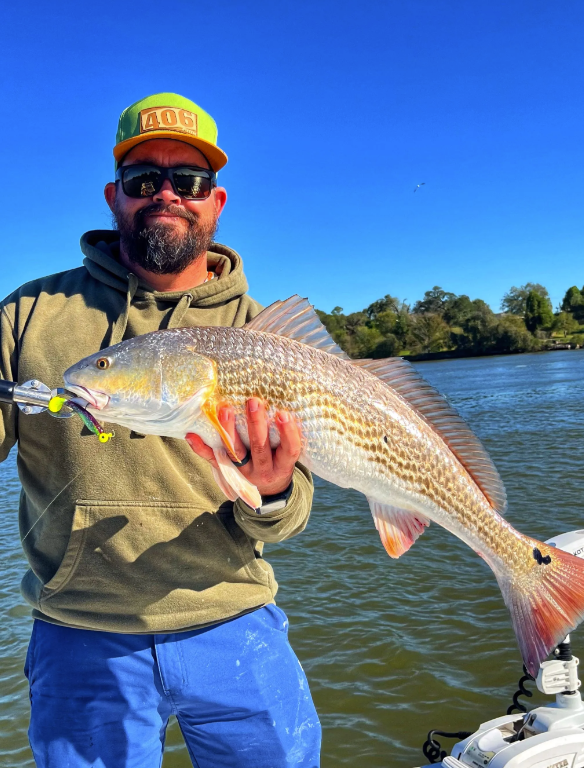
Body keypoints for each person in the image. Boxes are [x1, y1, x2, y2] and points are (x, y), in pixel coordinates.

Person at [0, 93, 321, 767]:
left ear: (217, 200)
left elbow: (291, 517)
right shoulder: (28, 313)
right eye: (146, 179)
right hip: (79, 636)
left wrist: (270, 491)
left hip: (236, 623)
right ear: (115, 196)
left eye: (190, 181)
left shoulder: (266, 336)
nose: (167, 195)